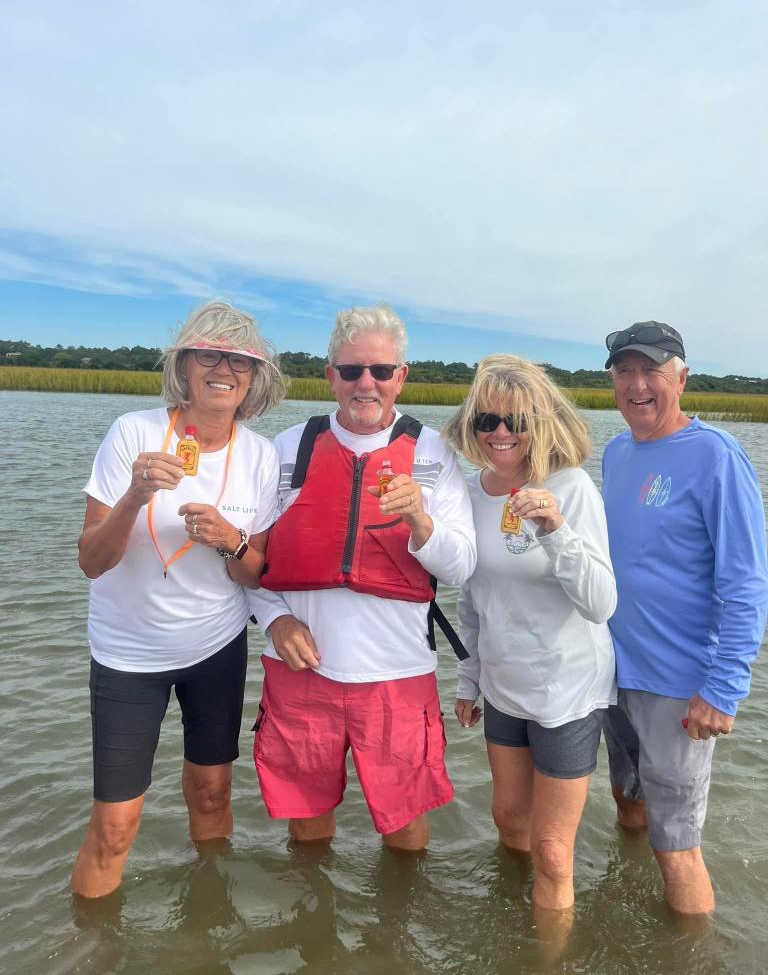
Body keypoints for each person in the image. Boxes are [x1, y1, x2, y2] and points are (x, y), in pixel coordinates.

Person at [71, 300, 284, 898]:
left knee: (213, 795)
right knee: (115, 828)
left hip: (215, 648)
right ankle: (91, 941)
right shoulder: (134, 433)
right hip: (127, 655)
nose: (224, 369)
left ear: (255, 377)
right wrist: (134, 497)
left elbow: (256, 574)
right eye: (208, 355)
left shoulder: (261, 455)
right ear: (184, 364)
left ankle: (208, 923)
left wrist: (231, 539)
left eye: (239, 361)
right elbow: (91, 562)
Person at [248, 303, 476, 850]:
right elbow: (249, 560)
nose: (365, 383)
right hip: (301, 671)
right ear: (331, 376)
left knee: (405, 828)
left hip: (398, 674)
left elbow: (462, 566)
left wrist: (420, 519)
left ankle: (401, 906)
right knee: (306, 825)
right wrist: (275, 621)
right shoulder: (288, 448)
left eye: (380, 370)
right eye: (351, 370)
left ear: (401, 376)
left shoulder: (433, 453)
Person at [601, 320, 768, 914]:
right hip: (613, 675)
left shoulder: (715, 456)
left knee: (677, 846)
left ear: (682, 377)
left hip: (679, 687)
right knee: (627, 804)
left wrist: (723, 690)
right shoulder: (616, 452)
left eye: (651, 370)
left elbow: (747, 584)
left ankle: (691, 950)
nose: (637, 384)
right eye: (624, 371)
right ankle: (626, 902)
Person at [442, 355, 617, 912]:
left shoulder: (571, 487)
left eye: (515, 421)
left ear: (539, 423)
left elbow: (601, 603)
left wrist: (555, 529)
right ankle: (511, 935)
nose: (500, 432)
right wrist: (469, 680)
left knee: (553, 852)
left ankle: (553, 948)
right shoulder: (470, 494)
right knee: (508, 819)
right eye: (486, 420)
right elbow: (473, 599)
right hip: (503, 683)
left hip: (567, 687)